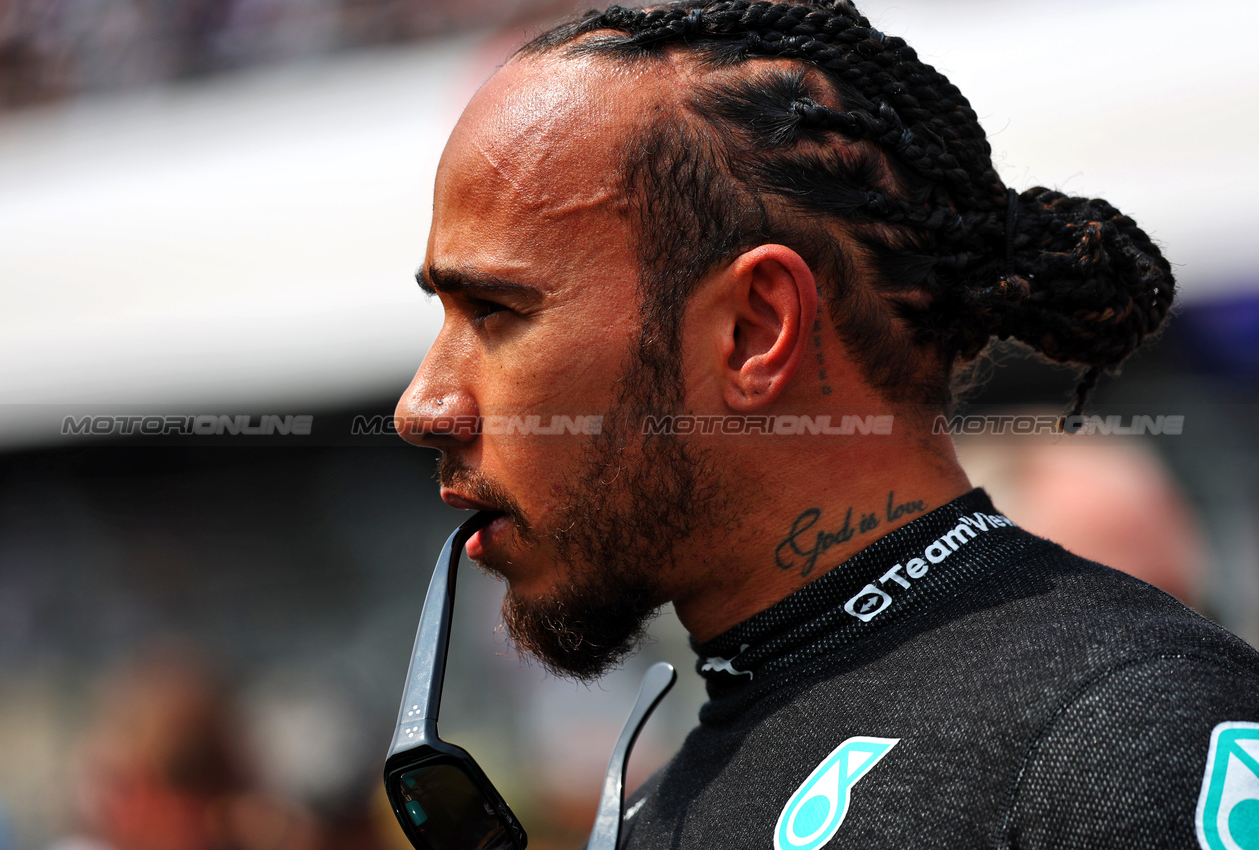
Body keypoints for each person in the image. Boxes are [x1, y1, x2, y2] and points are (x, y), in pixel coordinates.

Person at [393, 1, 1259, 847]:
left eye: (493, 311)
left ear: (752, 331)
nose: (422, 406)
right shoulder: (664, 804)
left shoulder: (1127, 730)